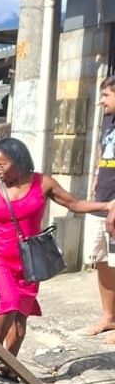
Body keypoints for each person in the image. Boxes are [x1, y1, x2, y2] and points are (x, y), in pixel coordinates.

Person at [0, 137, 114, 379]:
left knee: (21, 321)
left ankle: (9, 367)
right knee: (9, 299)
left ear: (18, 161)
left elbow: (74, 204)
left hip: (30, 260)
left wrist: (107, 206)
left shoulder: (42, 183)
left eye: (2, 164)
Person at [86, 74, 115, 342]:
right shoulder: (107, 120)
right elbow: (103, 151)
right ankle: (109, 317)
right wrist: (97, 174)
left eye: (106, 95)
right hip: (102, 199)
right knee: (102, 260)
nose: (102, 101)